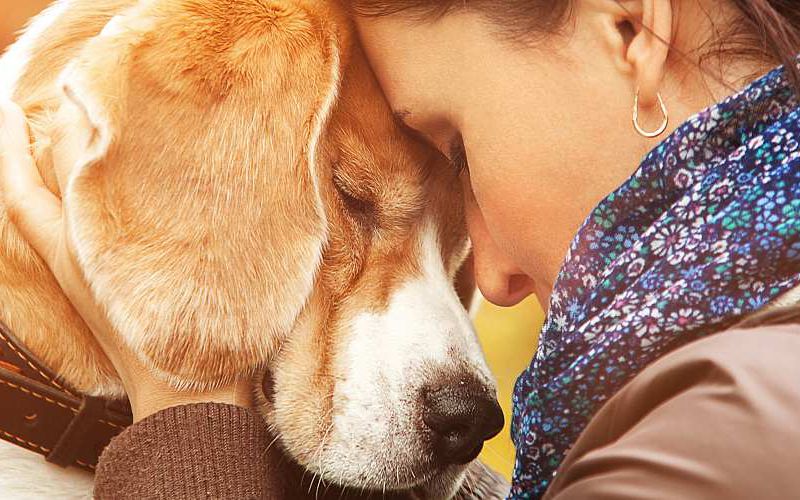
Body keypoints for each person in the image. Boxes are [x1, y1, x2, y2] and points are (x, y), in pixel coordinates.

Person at [1, 0, 799, 498]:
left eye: (456, 147)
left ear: (633, 27)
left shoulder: (722, 427)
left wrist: (188, 424)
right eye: (352, 197)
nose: (489, 280)